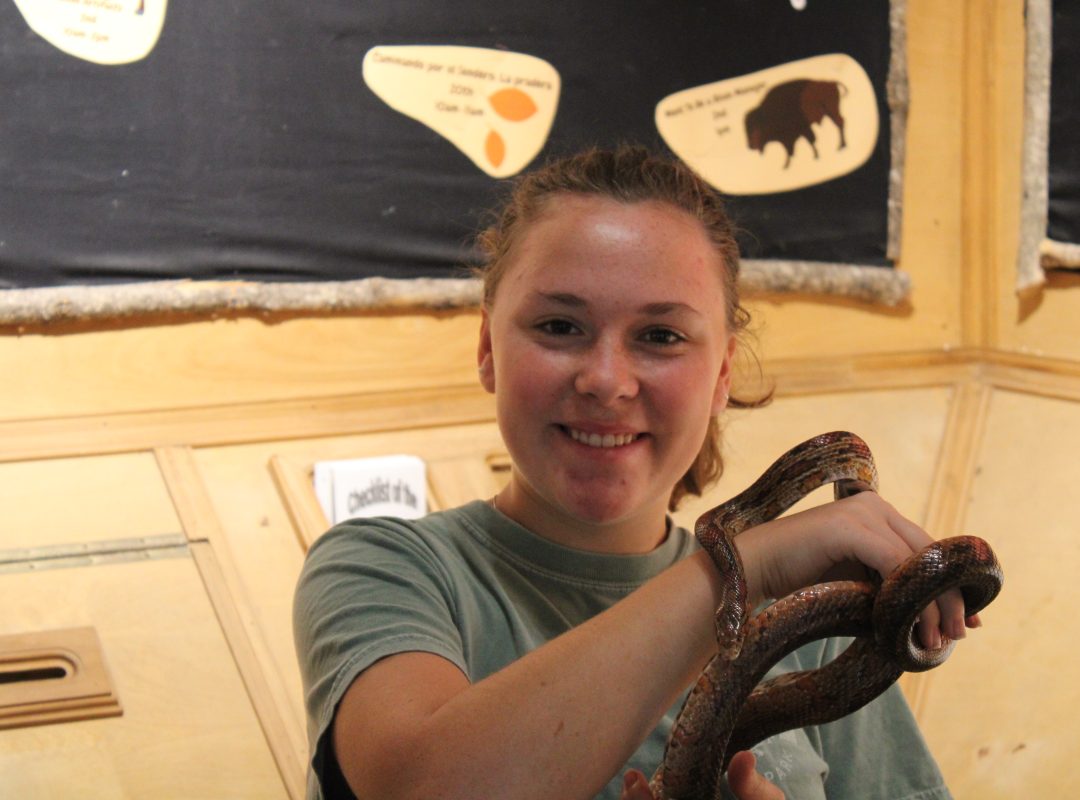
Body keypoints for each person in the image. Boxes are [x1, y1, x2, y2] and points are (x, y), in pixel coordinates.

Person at [293, 144, 977, 800]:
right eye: (560, 326)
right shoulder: (385, 568)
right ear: (487, 349)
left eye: (661, 337)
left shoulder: (811, 616)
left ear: (722, 376)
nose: (606, 380)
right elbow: (420, 788)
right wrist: (748, 569)